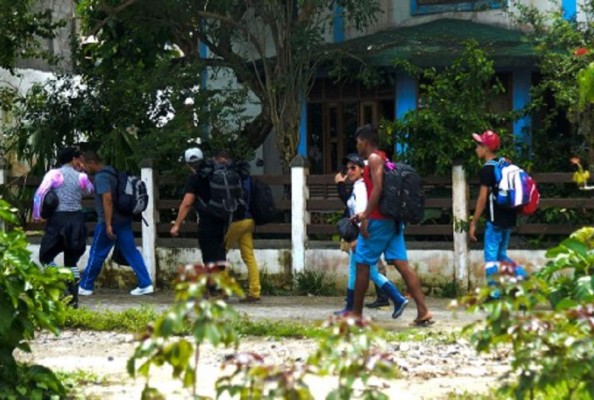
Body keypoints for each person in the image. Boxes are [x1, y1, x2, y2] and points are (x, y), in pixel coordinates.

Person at [351, 125, 433, 325]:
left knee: (362, 265)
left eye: (358, 141)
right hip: (392, 220)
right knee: (402, 265)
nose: (357, 145)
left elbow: (378, 188)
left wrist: (365, 214)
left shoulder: (374, 159)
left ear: (366, 141)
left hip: (379, 220)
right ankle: (423, 312)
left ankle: (355, 315)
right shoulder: (383, 158)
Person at [334, 153, 409, 318]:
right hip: (362, 234)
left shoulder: (361, 188)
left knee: (369, 272)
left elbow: (363, 212)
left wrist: (356, 238)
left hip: (362, 234)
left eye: (353, 168)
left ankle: (396, 298)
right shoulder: (358, 186)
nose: (349, 171)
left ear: (362, 170)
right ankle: (352, 306)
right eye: (348, 169)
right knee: (358, 270)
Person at [78, 151, 153, 296]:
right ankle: (145, 283)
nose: (83, 168)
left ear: (92, 163)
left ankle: (86, 286)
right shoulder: (112, 171)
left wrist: (108, 224)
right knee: (131, 252)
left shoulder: (101, 177)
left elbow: (108, 199)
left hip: (110, 221)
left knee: (97, 253)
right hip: (123, 218)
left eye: (85, 165)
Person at [33, 147, 94, 308]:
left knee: (45, 257)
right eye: (78, 158)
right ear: (73, 159)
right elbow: (89, 190)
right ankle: (73, 301)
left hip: (58, 221)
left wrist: (37, 214)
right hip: (76, 221)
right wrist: (81, 172)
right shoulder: (81, 177)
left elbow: (40, 193)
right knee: (71, 262)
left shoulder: (54, 174)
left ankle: (59, 280)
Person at [469, 130, 527, 297]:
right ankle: (525, 278)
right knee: (501, 255)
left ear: (486, 148)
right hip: (509, 217)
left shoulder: (487, 169)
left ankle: (494, 295)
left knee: (491, 258)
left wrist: (474, 222)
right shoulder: (504, 164)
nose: (476, 148)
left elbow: (482, 198)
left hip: (494, 220)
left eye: (479, 145)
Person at [170, 148, 229, 275]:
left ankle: (213, 284)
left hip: (207, 220)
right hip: (223, 218)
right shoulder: (216, 173)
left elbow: (187, 203)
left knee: (209, 255)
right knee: (219, 252)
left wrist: (177, 225)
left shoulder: (194, 179)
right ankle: (219, 279)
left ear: (188, 164)